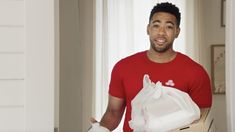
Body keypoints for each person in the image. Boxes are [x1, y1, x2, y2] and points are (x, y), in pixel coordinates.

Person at [90, 2, 212, 132]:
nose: (161, 32)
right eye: (156, 25)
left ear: (177, 32)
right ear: (148, 29)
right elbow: (113, 113)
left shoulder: (195, 72)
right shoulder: (123, 68)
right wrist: (98, 130)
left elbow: (201, 123)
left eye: (169, 27)